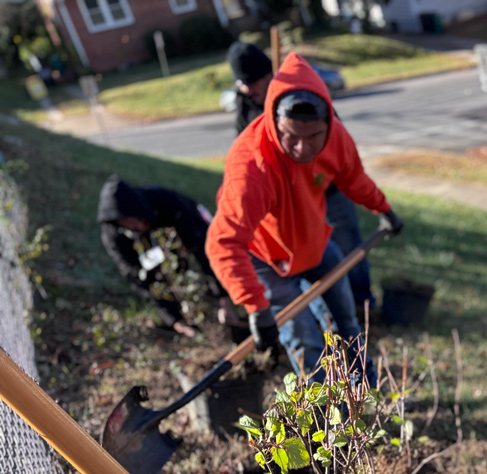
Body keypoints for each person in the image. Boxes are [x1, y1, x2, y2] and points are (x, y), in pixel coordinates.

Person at [206, 53, 402, 385]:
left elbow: (353, 179)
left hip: (313, 242)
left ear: (328, 121)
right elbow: (222, 242)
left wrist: (383, 209)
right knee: (304, 343)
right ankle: (328, 419)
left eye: (313, 137)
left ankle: (364, 392)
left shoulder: (335, 137)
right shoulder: (252, 167)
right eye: (291, 136)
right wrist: (255, 306)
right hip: (268, 256)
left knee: (346, 320)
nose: (302, 148)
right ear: (273, 122)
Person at [226, 41, 377, 315]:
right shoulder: (247, 104)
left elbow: (332, 146)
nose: (248, 90)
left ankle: (363, 304)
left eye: (252, 82)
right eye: (242, 84)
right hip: (290, 203)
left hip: (325, 190)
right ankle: (331, 318)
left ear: (266, 75)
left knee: (347, 247)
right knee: (313, 264)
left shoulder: (304, 95)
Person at [97, 175, 232, 338]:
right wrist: (174, 320)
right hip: (166, 262)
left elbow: (204, 249)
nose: (139, 226)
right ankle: (184, 312)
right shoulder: (114, 236)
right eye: (131, 224)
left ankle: (216, 298)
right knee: (158, 274)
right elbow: (136, 275)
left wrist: (224, 298)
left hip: (192, 229)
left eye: (140, 219)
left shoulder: (167, 203)